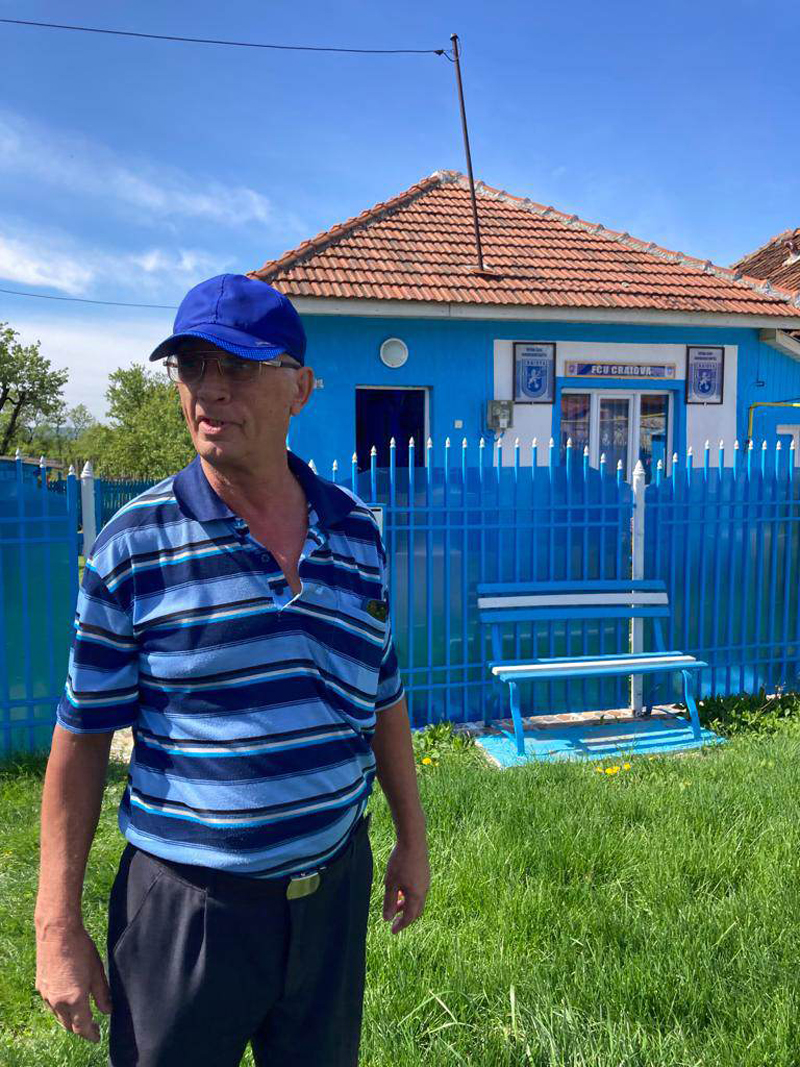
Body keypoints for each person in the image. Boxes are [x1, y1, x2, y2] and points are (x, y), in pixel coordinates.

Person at [34, 273, 430, 1066]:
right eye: (192, 366)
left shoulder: (357, 532)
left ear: (300, 388)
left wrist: (411, 838)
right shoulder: (132, 547)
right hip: (188, 911)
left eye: (239, 367)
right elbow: (80, 740)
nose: (210, 389)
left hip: (331, 896)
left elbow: (382, 694)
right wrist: (55, 925)